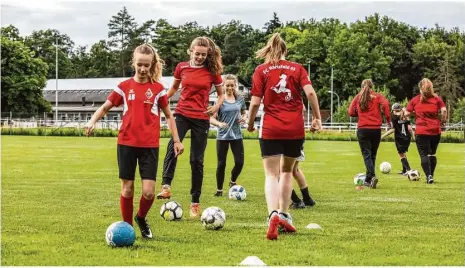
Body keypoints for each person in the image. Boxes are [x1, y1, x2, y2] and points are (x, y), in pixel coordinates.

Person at [85, 44, 184, 239]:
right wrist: (91, 122)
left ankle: (140, 217)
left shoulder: (158, 90)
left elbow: (169, 116)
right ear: (134, 63)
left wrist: (177, 140)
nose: (143, 69)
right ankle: (127, 228)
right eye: (139, 64)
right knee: (127, 188)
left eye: (146, 65)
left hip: (149, 146)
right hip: (126, 144)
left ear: (152, 64)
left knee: (148, 193)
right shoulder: (123, 87)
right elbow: (105, 107)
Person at [247, 33, 322, 240]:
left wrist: (251, 123)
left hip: (271, 128)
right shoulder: (297, 68)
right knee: (287, 172)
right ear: (286, 51)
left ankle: (272, 214)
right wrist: (316, 118)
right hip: (295, 129)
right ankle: (285, 215)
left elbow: (254, 103)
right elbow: (311, 94)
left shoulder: (261, 70)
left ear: (268, 50)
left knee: (271, 174)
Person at [156, 36, 225, 218]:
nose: (200, 57)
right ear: (191, 51)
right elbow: (173, 89)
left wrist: (216, 106)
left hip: (201, 118)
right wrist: (160, 100)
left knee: (196, 160)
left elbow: (221, 95)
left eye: (204, 54)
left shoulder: (212, 71)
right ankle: (166, 186)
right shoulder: (182, 67)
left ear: (208, 54)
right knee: (173, 146)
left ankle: (195, 202)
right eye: (197, 53)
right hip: (182, 113)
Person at [348, 79, 391, 189]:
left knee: (366, 154)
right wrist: (388, 119)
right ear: (372, 87)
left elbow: (351, 112)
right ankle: (369, 179)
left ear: (361, 86)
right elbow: (386, 104)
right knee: (373, 154)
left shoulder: (358, 97)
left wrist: (359, 114)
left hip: (363, 129)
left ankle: (371, 177)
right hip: (376, 129)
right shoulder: (378, 96)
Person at [402, 78, 447, 184]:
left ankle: (428, 176)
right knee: (432, 154)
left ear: (420, 88)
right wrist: (443, 121)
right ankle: (432, 175)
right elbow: (444, 110)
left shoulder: (416, 100)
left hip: (422, 131)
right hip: (435, 130)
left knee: (424, 155)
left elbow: (407, 114)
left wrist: (406, 111)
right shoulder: (437, 99)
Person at [209, 74, 246, 196]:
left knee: (239, 162)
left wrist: (244, 118)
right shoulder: (220, 101)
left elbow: (244, 112)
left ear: (235, 86)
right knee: (221, 164)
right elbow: (211, 118)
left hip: (237, 136)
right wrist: (219, 124)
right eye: (227, 85)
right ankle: (219, 190)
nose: (230, 87)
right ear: (223, 86)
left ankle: (232, 181)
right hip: (222, 137)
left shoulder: (240, 99)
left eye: (232, 85)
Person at [290, 105, 316, 209]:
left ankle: (296, 201)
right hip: (298, 133)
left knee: (280, 172)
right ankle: (307, 199)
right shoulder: (295, 92)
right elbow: (303, 108)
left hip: (286, 133)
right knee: (294, 170)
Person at [381, 103, 415, 176]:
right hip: (407, 138)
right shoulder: (405, 117)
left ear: (393, 110)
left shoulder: (394, 118)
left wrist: (383, 135)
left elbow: (393, 129)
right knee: (403, 153)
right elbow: (409, 128)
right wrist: (413, 137)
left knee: (401, 155)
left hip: (399, 138)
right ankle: (404, 170)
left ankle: (409, 170)